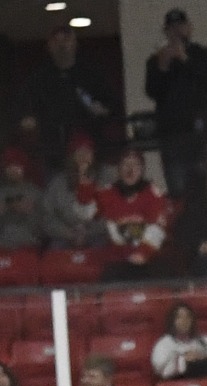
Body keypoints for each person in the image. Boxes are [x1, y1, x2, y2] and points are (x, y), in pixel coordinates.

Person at [146, 8, 207, 198]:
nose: (176, 31)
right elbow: (152, 91)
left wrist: (185, 58)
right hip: (173, 137)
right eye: (171, 28)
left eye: (180, 26)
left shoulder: (205, 55)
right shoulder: (155, 61)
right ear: (166, 31)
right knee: (179, 192)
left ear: (189, 28)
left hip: (204, 135)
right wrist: (162, 67)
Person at [19, 26, 113, 173]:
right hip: (53, 151)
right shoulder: (38, 79)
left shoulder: (92, 73)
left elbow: (111, 104)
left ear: (75, 43)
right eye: (56, 41)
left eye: (66, 40)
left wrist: (103, 109)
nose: (61, 45)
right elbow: (24, 107)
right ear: (49, 46)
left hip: (89, 148)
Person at [99, 148, 172, 275]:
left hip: (149, 256)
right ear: (119, 168)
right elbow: (95, 219)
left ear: (142, 169)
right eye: (126, 164)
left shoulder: (154, 193)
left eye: (136, 164)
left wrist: (143, 252)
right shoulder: (106, 193)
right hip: (116, 258)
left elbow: (158, 227)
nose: (130, 169)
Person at [40, 135, 105, 249]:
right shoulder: (57, 183)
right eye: (79, 152)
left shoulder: (104, 179)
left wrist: (87, 232)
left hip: (96, 235)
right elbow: (46, 216)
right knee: (55, 251)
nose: (83, 156)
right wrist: (68, 233)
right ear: (72, 156)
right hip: (64, 236)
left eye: (87, 151)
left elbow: (111, 213)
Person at [151, 302, 207, 381]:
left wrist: (201, 357)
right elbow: (162, 372)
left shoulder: (203, 340)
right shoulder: (163, 344)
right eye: (179, 317)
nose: (184, 321)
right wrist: (184, 360)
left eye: (188, 317)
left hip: (205, 382)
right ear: (172, 321)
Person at [0, 150, 44, 251]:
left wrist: (30, 213)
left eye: (17, 167)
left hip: (28, 240)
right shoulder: (1, 192)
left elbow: (44, 224)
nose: (13, 171)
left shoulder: (35, 192)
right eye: (9, 167)